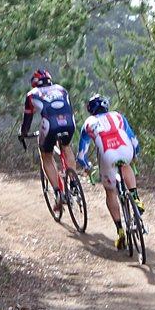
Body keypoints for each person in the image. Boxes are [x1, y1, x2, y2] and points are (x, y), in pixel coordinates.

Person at [76, 94, 144, 250]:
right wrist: (136, 154)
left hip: (107, 155)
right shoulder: (118, 116)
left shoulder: (88, 123)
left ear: (91, 110)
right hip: (126, 149)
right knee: (126, 165)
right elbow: (134, 140)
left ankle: (120, 231)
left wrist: (86, 165)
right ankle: (135, 197)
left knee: (110, 192)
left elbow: (81, 154)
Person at [19, 68, 78, 217]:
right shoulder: (62, 89)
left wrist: (24, 133)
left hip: (50, 124)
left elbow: (27, 119)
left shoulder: (32, 95)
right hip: (69, 122)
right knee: (65, 147)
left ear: (34, 83)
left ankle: (58, 192)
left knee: (46, 155)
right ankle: (74, 182)